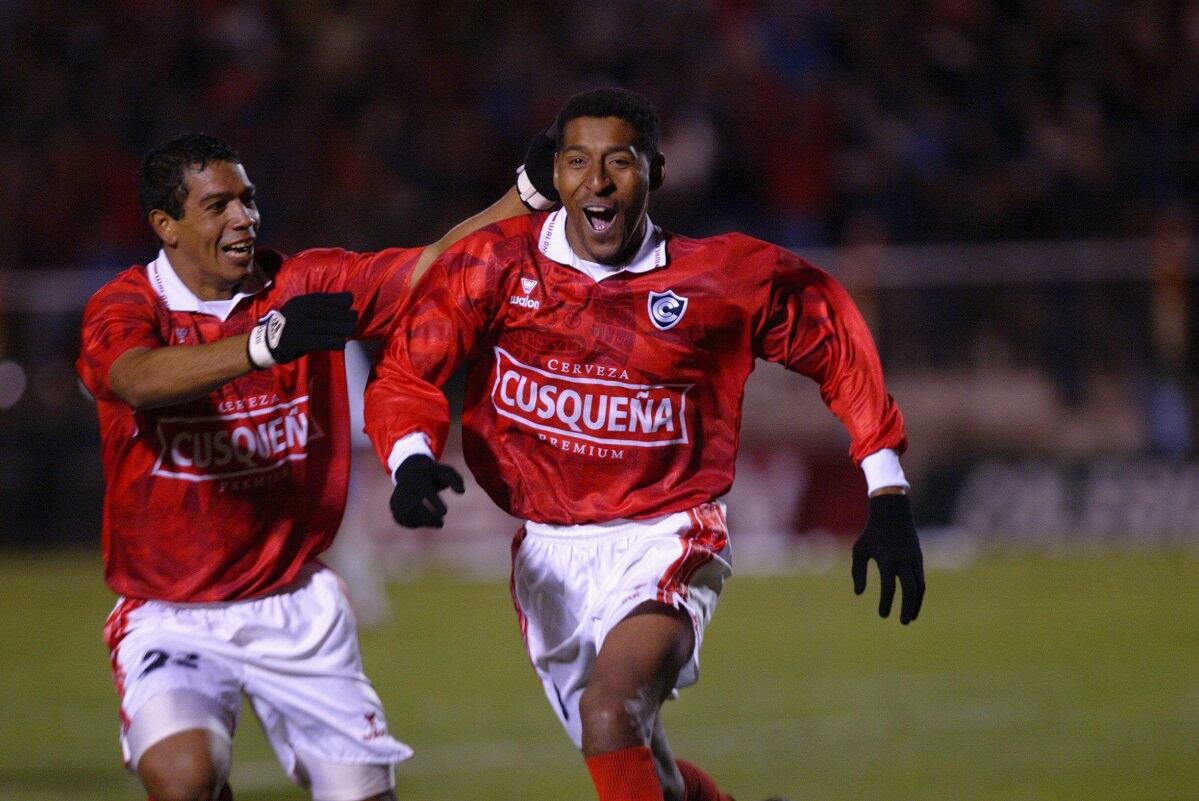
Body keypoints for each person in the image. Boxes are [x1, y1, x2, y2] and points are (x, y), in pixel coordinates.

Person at [363, 88, 925, 801]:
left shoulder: (714, 278)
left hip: (665, 531)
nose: (596, 181)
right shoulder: (496, 266)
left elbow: (830, 333)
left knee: (608, 713)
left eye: (618, 162)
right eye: (576, 162)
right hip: (546, 553)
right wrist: (410, 456)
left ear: (655, 172)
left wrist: (886, 487)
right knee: (637, 757)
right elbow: (411, 365)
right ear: (555, 177)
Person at [76, 131, 530, 801]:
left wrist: (524, 195)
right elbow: (136, 378)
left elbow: (433, 266)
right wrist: (262, 345)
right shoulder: (127, 306)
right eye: (218, 206)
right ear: (166, 226)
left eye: (248, 199)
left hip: (293, 600)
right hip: (169, 609)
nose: (243, 218)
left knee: (361, 794)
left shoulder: (303, 284)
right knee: (183, 775)